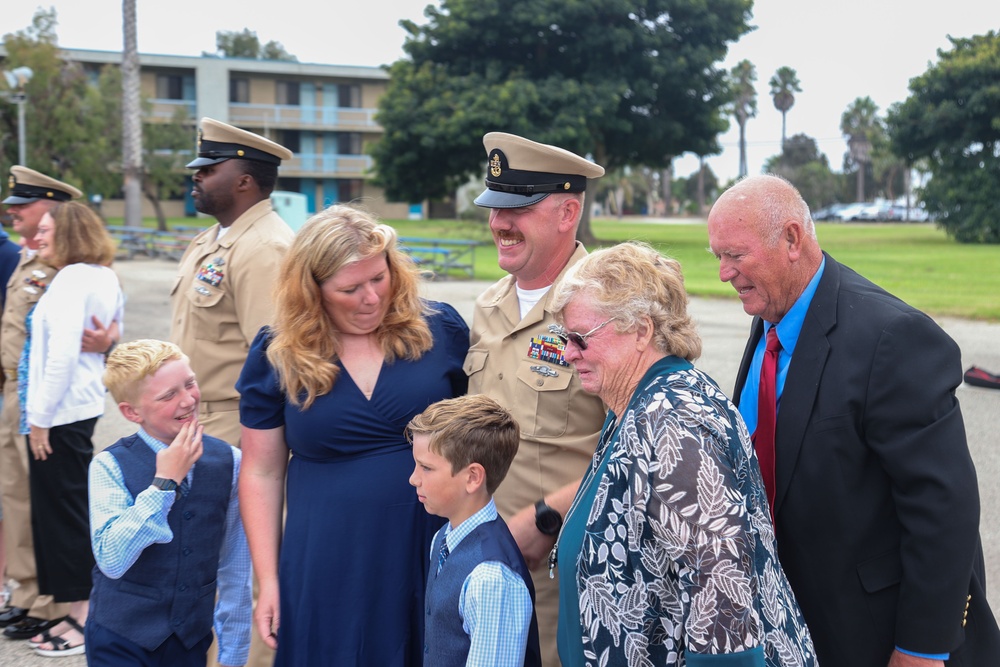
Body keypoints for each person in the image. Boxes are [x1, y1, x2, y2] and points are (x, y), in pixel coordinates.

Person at [706, 174, 1000, 667]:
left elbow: (943, 510)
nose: (722, 273)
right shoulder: (770, 320)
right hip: (796, 625)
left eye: (735, 255)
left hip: (876, 635)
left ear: (793, 239)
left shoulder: (894, 338)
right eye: (718, 256)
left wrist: (921, 649)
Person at [548, 241, 816, 666]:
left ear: (641, 330)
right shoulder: (637, 403)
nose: (568, 353)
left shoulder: (675, 422)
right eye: (564, 338)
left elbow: (722, 596)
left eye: (580, 338)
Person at [237, 205, 469, 665]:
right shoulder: (277, 353)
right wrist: (269, 581)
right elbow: (261, 472)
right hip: (324, 554)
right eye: (349, 288)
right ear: (312, 290)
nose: (370, 298)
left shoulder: (440, 330)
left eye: (379, 279)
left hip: (424, 544)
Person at [467, 132, 608, 665]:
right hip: (483, 571)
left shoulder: (609, 309)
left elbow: (644, 449)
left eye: (516, 208)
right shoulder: (489, 306)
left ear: (568, 211)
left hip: (562, 576)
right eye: (494, 207)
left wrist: (547, 518)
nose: (499, 222)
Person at [0, 167, 116, 642]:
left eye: (23, 206)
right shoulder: (28, 260)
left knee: (45, 500)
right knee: (16, 495)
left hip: (47, 400)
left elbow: (86, 335)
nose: (12, 212)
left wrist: (110, 340)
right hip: (15, 390)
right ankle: (28, 591)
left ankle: (51, 601)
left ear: (53, 212)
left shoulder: (70, 271)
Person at [87, 339, 251, 667]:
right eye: (168, 395)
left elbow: (235, 565)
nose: (189, 399)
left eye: (189, 384)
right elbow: (112, 560)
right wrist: (164, 484)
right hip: (121, 639)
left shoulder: (230, 461)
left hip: (190, 640)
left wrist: (233, 652)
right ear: (132, 412)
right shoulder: (109, 465)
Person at [23, 201, 123, 656]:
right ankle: (78, 610)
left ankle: (82, 619)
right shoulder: (102, 275)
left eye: (45, 230)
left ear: (68, 234)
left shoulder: (71, 281)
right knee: (70, 512)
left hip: (59, 412)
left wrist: (38, 420)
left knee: (63, 517)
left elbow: (61, 356)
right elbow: (111, 333)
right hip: (79, 407)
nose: (36, 237)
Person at [171, 116, 294, 449]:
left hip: (235, 426)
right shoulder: (208, 241)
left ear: (244, 182)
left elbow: (275, 362)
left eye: (209, 170)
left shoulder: (265, 249)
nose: (197, 175)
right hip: (199, 418)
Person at [407, 394, 542, 667]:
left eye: (426, 468)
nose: (413, 478)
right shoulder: (442, 539)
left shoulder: (491, 578)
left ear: (472, 477)